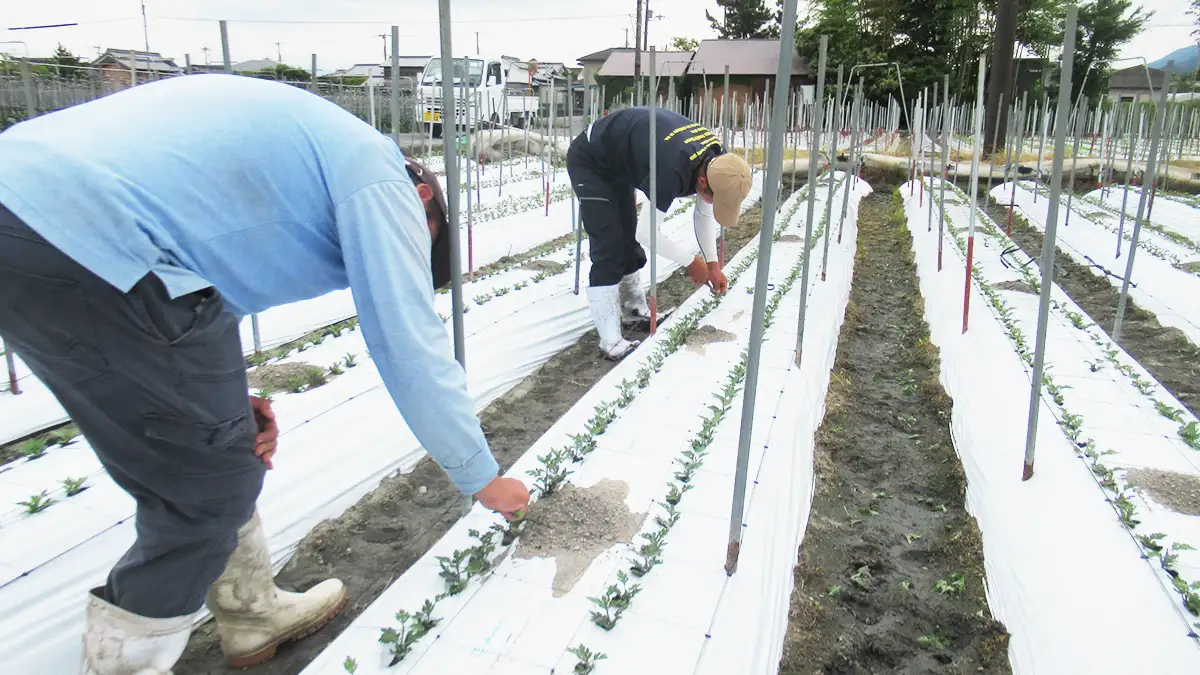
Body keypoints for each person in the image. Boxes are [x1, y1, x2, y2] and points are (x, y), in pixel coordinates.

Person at [0, 74, 530, 673]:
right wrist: (482, 479)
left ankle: (250, 611)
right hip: (83, 232)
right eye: (416, 245)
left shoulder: (322, 148)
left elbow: (204, 280)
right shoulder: (381, 179)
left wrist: (228, 391)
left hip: (29, 217)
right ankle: (122, 665)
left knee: (217, 443)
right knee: (205, 491)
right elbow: (408, 343)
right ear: (426, 200)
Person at [567, 106, 753, 360]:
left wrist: (712, 263)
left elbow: (703, 212)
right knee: (609, 245)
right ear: (702, 183)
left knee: (627, 240)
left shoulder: (718, 162)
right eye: (713, 198)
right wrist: (691, 262)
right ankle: (610, 343)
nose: (711, 202)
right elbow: (647, 233)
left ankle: (634, 311)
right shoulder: (671, 169)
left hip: (620, 158)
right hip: (591, 160)